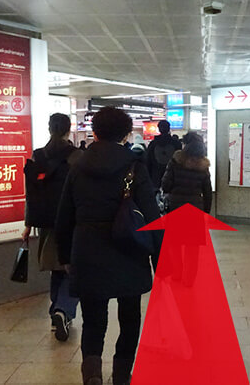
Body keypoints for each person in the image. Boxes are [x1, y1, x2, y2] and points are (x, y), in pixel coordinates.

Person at [55, 106, 161, 385]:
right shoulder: (135, 167)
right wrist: (160, 260)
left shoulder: (77, 167)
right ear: (125, 135)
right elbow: (152, 217)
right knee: (130, 317)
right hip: (129, 248)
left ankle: (92, 374)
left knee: (93, 320)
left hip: (87, 250)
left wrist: (65, 256)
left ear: (94, 132)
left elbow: (64, 217)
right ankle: (122, 376)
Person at [22, 113, 82, 342]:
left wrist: (28, 224)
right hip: (72, 221)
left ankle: (56, 313)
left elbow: (31, 193)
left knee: (56, 267)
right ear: (68, 130)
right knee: (72, 268)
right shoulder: (76, 156)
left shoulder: (38, 155)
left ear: (49, 129)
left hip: (45, 220)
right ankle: (63, 310)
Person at [161, 132, 212, 213]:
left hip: (176, 206)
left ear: (186, 145)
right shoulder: (203, 166)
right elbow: (207, 193)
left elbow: (165, 185)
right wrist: (206, 211)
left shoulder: (176, 161)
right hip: (196, 207)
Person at [146, 120, 182, 190]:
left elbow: (148, 162)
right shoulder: (176, 144)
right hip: (173, 178)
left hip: (155, 177)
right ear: (169, 128)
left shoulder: (153, 144)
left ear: (159, 129)